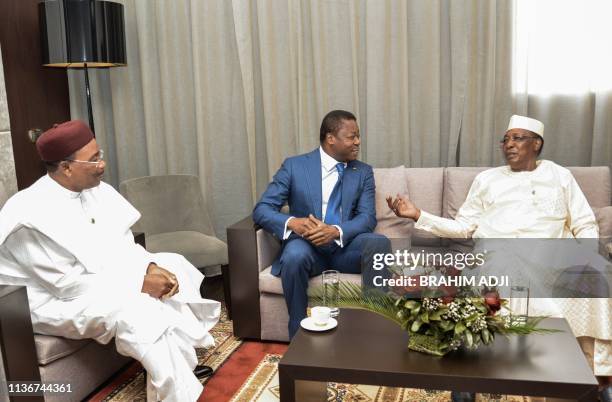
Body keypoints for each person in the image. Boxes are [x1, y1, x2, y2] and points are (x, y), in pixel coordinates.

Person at [387, 115, 610, 401]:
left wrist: (587, 253)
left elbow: (585, 223)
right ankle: (468, 379)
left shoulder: (559, 175)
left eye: (517, 138)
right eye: (505, 140)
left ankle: (598, 378)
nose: (508, 145)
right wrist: (418, 215)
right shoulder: (486, 180)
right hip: (499, 253)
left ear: (537, 144)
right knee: (501, 271)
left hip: (554, 253)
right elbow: (464, 226)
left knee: (598, 275)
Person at [0, 120, 220, 402]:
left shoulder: (95, 190)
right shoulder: (28, 214)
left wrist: (149, 268)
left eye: (99, 154)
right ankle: (175, 393)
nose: (102, 164)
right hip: (46, 300)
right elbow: (66, 286)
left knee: (173, 263)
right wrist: (139, 284)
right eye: (93, 160)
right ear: (66, 167)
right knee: (139, 308)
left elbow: (123, 246)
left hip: (94, 280)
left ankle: (179, 365)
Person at [253, 110, 390, 339]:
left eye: (358, 136)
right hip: (307, 247)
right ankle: (297, 335)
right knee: (294, 255)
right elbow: (262, 209)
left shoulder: (363, 172)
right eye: (351, 136)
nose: (357, 141)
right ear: (330, 138)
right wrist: (293, 222)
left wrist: (335, 231)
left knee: (379, 244)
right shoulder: (295, 166)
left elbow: (367, 218)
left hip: (345, 249)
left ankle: (375, 329)